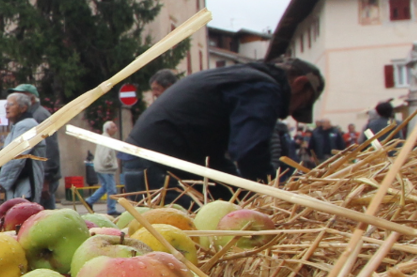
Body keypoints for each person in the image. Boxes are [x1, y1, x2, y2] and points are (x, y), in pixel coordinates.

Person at [126, 57, 327, 197]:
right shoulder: (263, 88)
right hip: (159, 165)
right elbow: (250, 153)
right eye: (302, 103)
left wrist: (240, 193)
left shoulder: (242, 77)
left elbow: (216, 159)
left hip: (152, 157)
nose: (291, 113)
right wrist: (272, 194)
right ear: (299, 84)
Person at [12, 83, 62, 207]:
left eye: (20, 97)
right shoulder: (30, 117)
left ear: (32, 99)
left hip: (43, 177)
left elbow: (50, 149)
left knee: (44, 214)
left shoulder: (39, 116)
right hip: (39, 177)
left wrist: (46, 180)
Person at [0, 93, 42, 202]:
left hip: (25, 187)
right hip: (19, 185)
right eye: (6, 104)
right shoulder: (19, 126)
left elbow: (15, 158)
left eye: (11, 104)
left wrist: (1, 183)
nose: (7, 107)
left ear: (23, 108)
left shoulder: (26, 126)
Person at [91, 120, 123, 213]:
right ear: (107, 129)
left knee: (105, 187)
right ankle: (111, 209)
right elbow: (105, 156)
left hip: (101, 168)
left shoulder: (104, 138)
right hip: (106, 169)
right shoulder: (106, 140)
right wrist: (112, 165)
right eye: (113, 127)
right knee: (112, 189)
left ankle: (90, 200)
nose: (116, 129)